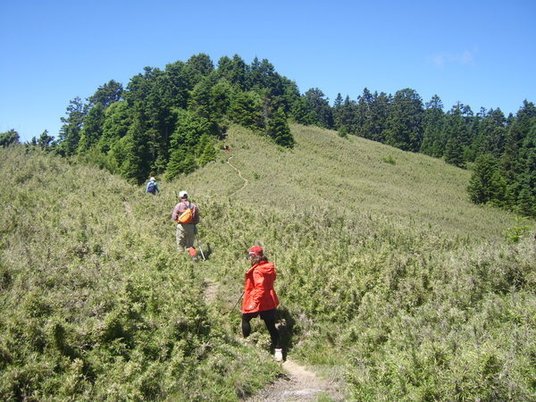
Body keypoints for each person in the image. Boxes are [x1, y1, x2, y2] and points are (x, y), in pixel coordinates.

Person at [241, 245, 283, 362]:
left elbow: (260, 288)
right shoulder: (269, 267)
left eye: (250, 256)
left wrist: (253, 303)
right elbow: (271, 280)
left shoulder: (257, 270)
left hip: (259, 300)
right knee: (271, 327)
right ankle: (278, 351)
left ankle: (246, 343)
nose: (249, 258)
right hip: (269, 300)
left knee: (245, 318)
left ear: (255, 256)